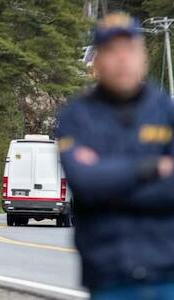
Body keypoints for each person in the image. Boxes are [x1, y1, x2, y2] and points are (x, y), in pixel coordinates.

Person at [56, 12, 174, 300]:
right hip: (108, 276)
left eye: (130, 49)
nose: (122, 59)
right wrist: (152, 168)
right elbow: (85, 182)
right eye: (111, 51)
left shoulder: (166, 110)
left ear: (143, 57)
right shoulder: (75, 116)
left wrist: (109, 181)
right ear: (96, 61)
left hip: (167, 272)